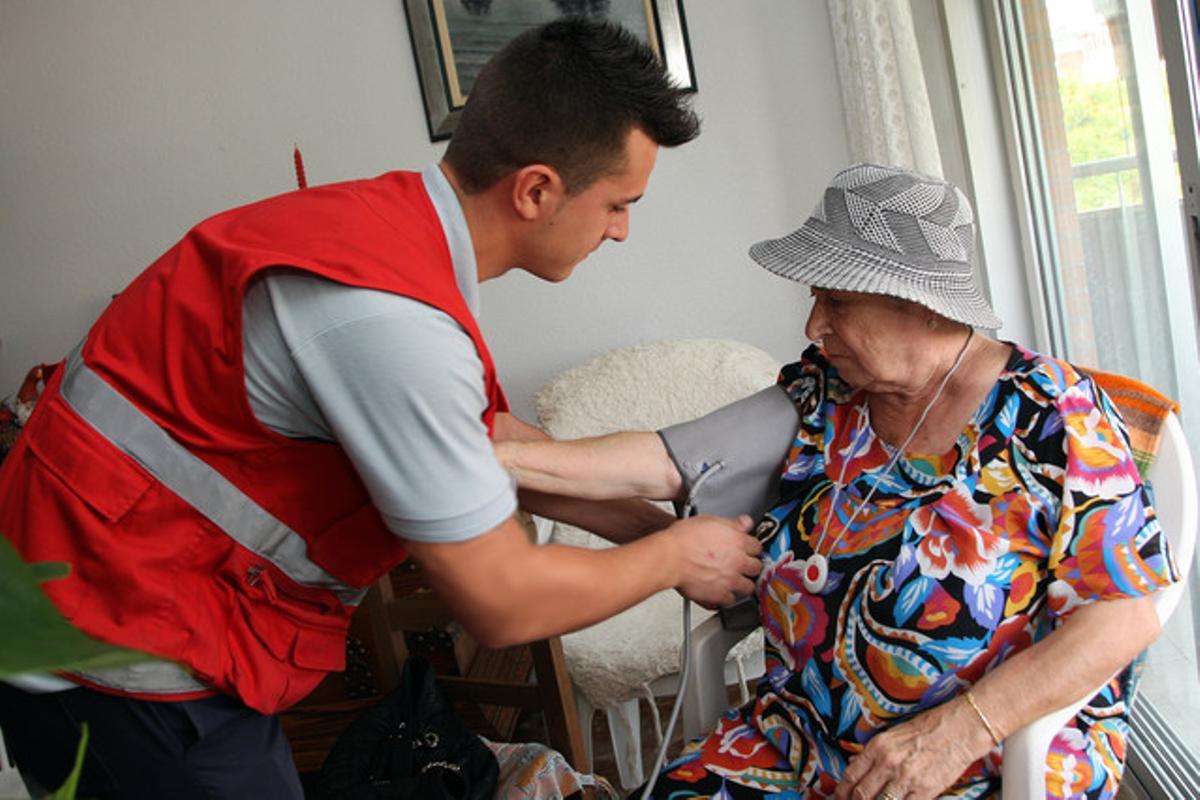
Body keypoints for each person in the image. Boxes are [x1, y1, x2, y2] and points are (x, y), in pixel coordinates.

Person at [0, 19, 762, 799]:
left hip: (105, 595)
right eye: (617, 203)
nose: (623, 230)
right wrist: (675, 559)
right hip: (109, 644)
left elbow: (472, 440)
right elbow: (502, 599)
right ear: (536, 189)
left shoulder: (386, 227)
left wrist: (650, 525)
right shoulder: (390, 324)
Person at [495, 163, 1178, 799]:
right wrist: (504, 456)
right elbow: (664, 462)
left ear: (927, 307)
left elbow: (1125, 613)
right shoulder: (824, 394)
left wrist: (961, 729)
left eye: (836, 300)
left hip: (973, 764)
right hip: (798, 744)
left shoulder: (1054, 413)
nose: (813, 325)